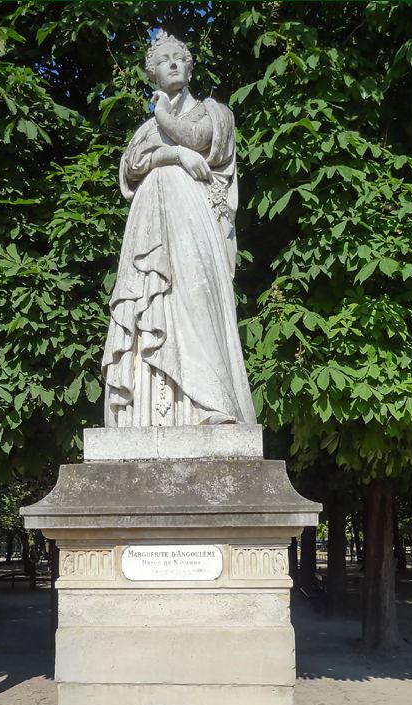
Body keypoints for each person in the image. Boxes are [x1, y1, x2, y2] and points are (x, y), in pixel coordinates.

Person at [102, 30, 257, 428]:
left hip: (195, 226)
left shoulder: (212, 112)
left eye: (179, 57)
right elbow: (132, 165)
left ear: (190, 67)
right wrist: (174, 155)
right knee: (151, 306)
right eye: (163, 59)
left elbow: (199, 139)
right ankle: (147, 417)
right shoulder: (146, 128)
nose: (172, 63)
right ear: (152, 74)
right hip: (149, 232)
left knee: (196, 301)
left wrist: (165, 124)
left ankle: (212, 402)